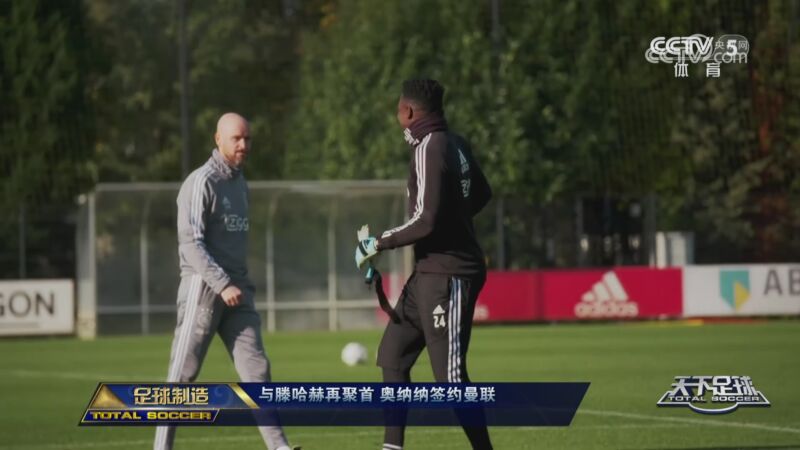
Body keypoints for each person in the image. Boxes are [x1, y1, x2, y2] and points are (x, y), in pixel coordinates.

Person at [355, 79, 494, 450]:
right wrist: (453, 220)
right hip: (428, 274)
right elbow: (482, 194)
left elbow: (425, 220)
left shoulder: (427, 146)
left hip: (449, 276)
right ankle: (392, 447)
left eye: (397, 110)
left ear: (408, 112)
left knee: (450, 379)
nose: (397, 117)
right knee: (393, 357)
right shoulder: (455, 142)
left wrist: (377, 243)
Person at [154, 113, 297, 450]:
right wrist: (221, 283)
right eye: (236, 138)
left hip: (238, 294)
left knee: (257, 372)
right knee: (182, 377)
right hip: (204, 290)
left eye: (247, 138)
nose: (243, 145)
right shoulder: (201, 182)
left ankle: (279, 447)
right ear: (218, 139)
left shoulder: (241, 182)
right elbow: (190, 243)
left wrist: (239, 285)